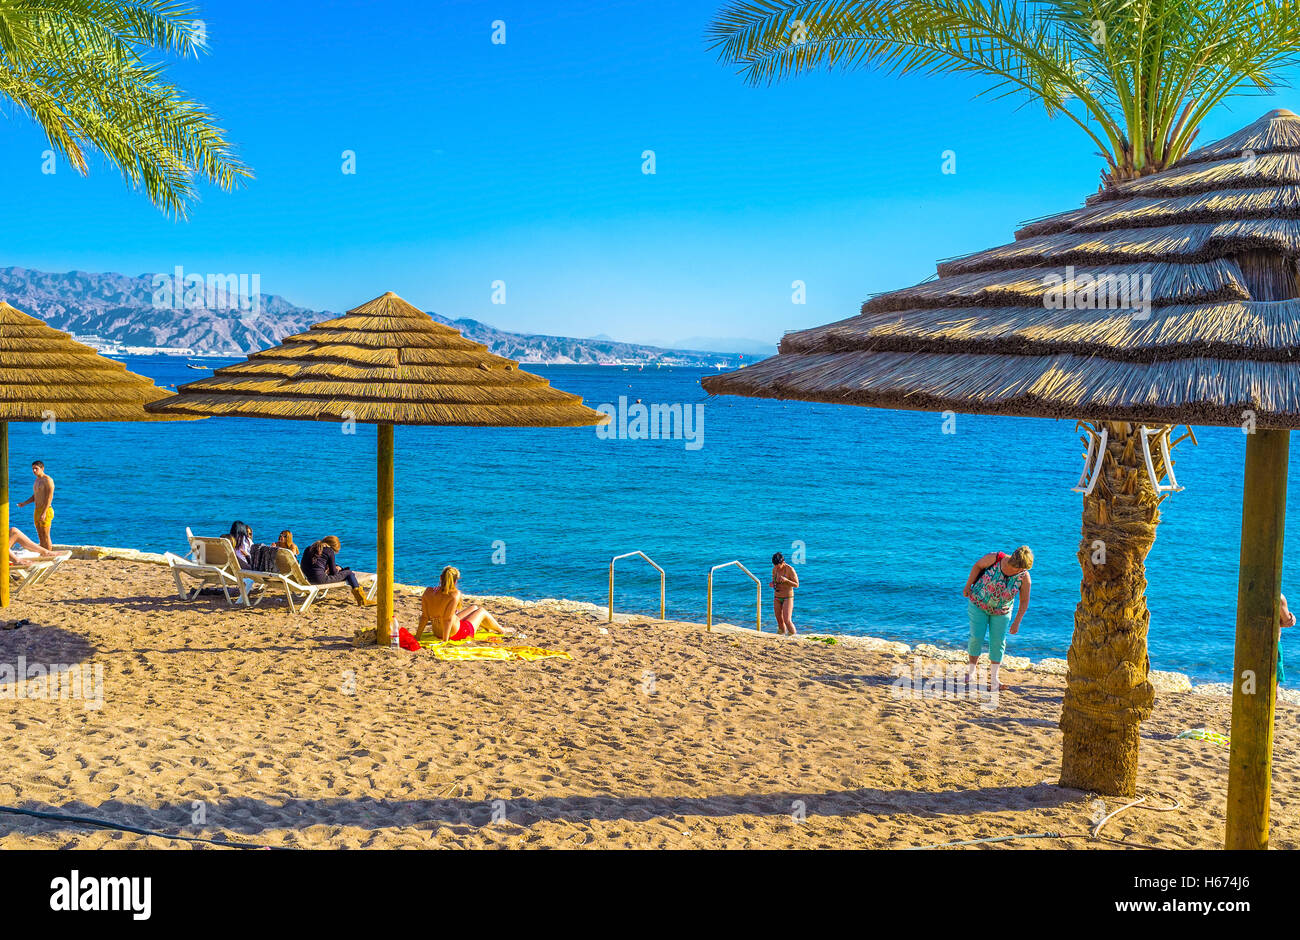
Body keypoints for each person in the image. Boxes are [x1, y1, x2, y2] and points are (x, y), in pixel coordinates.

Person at [962, 545, 1033, 692]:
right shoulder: (995, 558)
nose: (1020, 571)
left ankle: (994, 678)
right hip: (978, 603)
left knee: (998, 642)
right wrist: (968, 585)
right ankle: (971, 671)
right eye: (1019, 568)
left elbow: (1024, 601)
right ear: (1014, 561)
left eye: (1023, 569)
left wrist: (1017, 622)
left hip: (1001, 611)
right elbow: (977, 566)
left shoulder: (1024, 577)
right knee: (976, 637)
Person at [415, 566, 514, 641]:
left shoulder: (428, 592)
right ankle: (501, 630)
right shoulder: (454, 594)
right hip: (456, 634)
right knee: (482, 611)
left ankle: (486, 625)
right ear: (455, 581)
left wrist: (417, 637)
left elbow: (424, 617)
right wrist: (445, 641)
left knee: (474, 607)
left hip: (437, 633)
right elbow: (448, 619)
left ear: (441, 578)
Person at [301, 536, 374, 607]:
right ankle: (362, 600)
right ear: (332, 547)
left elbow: (307, 565)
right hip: (320, 580)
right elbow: (334, 573)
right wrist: (338, 569)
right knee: (349, 572)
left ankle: (362, 599)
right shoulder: (329, 551)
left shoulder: (309, 548)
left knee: (346, 572)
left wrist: (325, 569)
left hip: (307, 579)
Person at [16, 460, 55, 550]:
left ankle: (49, 554)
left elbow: (49, 498)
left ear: (42, 468)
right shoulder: (37, 480)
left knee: (45, 535)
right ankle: (43, 554)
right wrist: (24, 503)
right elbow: (35, 496)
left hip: (46, 510)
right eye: (33, 469)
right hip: (37, 510)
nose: (34, 471)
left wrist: (44, 512)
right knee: (40, 535)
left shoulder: (48, 480)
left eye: (36, 469)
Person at [770, 552, 800, 635]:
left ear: (783, 562)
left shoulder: (790, 570)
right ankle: (781, 635)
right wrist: (772, 584)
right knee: (779, 620)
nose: (776, 567)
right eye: (775, 565)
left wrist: (787, 581)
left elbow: (797, 585)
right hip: (777, 596)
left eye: (778, 565)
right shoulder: (774, 569)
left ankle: (793, 636)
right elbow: (774, 580)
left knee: (787, 620)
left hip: (787, 597)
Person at [1279, 593, 1295, 684]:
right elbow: (1288, 621)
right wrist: (1292, 618)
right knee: (1273, 687)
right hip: (1272, 644)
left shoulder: (1246, 590)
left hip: (1248, 642)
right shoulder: (1278, 596)